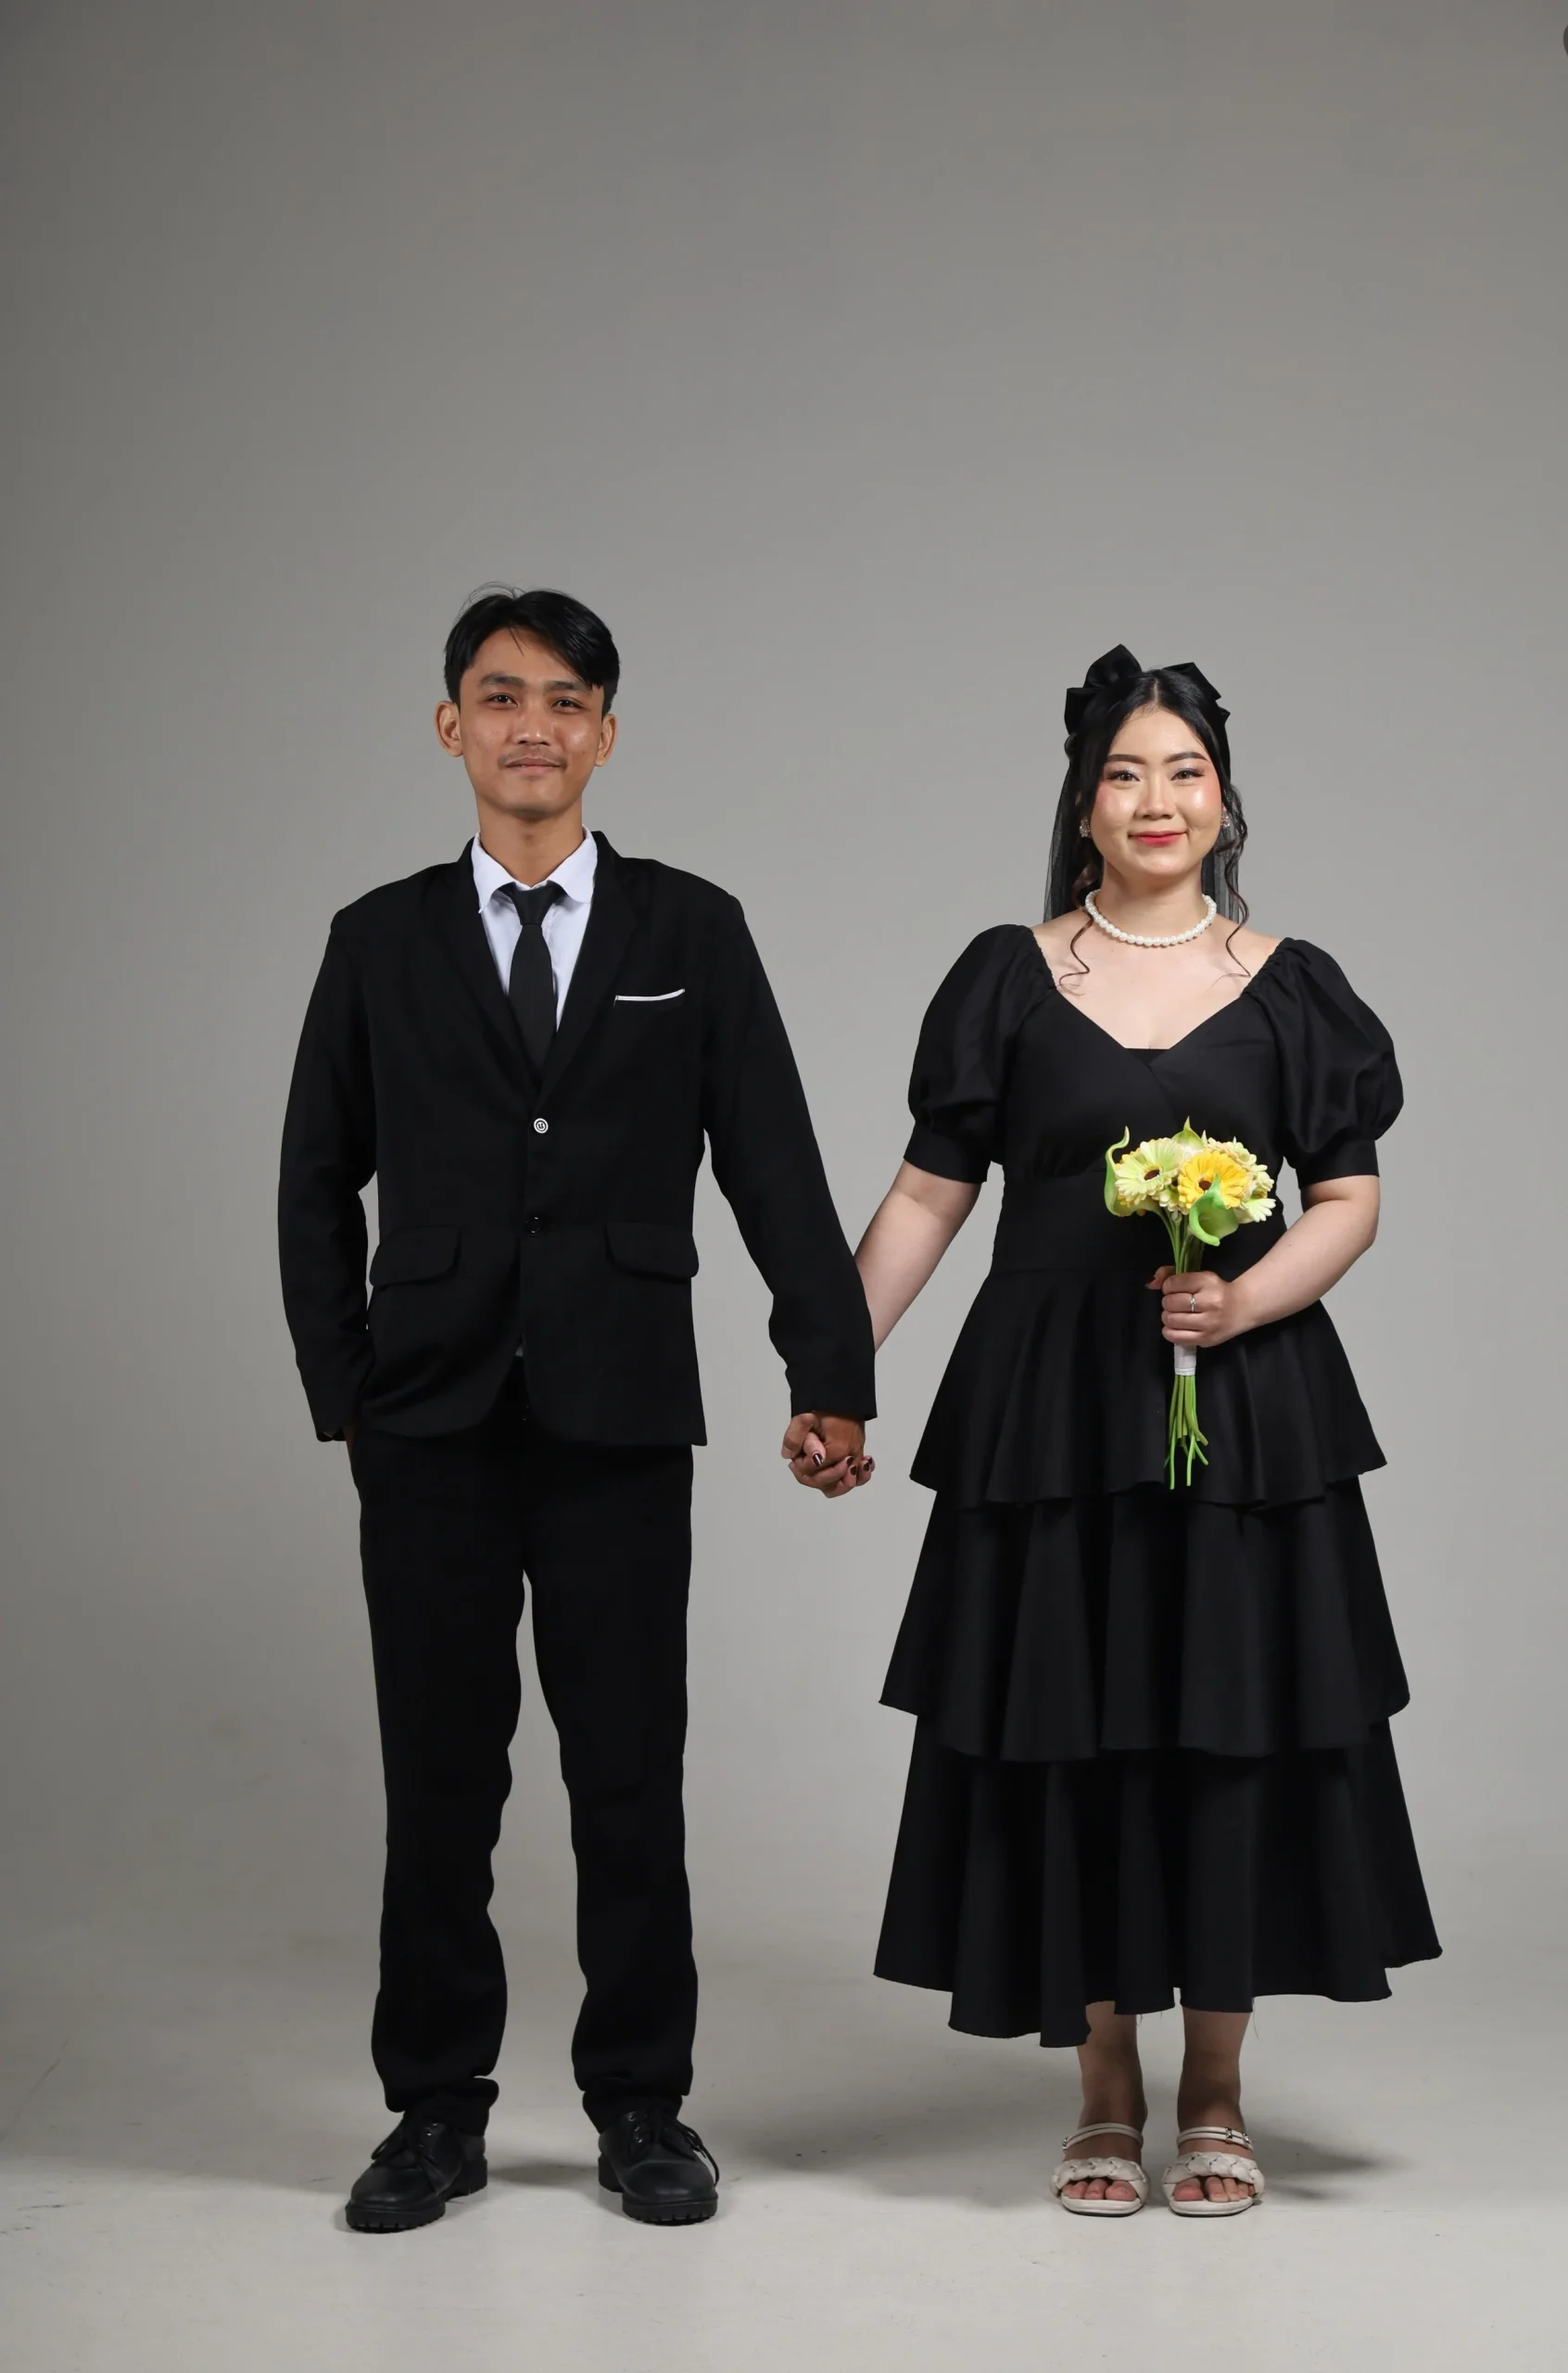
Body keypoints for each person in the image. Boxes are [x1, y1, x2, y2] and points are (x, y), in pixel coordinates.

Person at [278, 586, 874, 2232]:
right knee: (438, 1784)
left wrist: (827, 1373)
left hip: (619, 1411)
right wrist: (347, 1390)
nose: (530, 724)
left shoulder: (691, 930)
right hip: (429, 1418)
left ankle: (641, 2107)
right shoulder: (377, 939)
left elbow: (773, 1163)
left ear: (606, 733)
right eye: (499, 695)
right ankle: (433, 2112)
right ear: (449, 726)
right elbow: (315, 1178)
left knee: (626, 1778)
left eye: (563, 699)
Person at [848, 645, 1438, 2218]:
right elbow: (926, 1195)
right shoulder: (1004, 975)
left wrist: (1242, 1306)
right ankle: (1103, 2089)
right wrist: (833, 1369)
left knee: (1228, 1730)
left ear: (1224, 801)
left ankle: (1217, 2092)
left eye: (1183, 772)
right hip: (1046, 1409)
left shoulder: (1294, 985)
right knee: (1075, 1731)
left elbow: (1347, 1198)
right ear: (1082, 803)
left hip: (1242, 1408)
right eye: (1123, 773)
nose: (1154, 799)